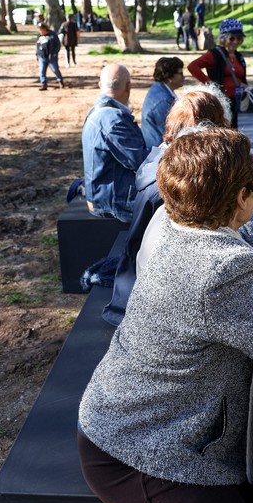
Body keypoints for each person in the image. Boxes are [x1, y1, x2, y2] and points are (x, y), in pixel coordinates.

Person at [78, 127, 253, 503]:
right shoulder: (221, 272)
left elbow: (227, 240)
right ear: (241, 197)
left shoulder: (175, 227)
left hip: (124, 420)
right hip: (141, 452)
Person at [105, 84, 234, 326]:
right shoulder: (179, 181)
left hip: (139, 278)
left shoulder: (163, 159)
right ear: (209, 131)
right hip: (152, 299)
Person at [81, 63, 149, 222]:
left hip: (103, 196)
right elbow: (140, 162)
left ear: (100, 85)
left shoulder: (98, 110)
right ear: (128, 86)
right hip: (114, 203)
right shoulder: (113, 120)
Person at [188, 18, 248, 129]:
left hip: (237, 100)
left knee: (234, 129)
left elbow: (241, 77)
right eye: (232, 38)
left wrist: (245, 86)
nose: (236, 41)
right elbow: (192, 66)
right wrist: (209, 83)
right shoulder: (214, 54)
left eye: (239, 38)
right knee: (223, 128)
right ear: (223, 38)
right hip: (221, 100)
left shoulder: (239, 56)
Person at [141, 56, 185, 149]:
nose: (183, 77)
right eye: (180, 73)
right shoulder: (163, 100)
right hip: (158, 150)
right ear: (169, 77)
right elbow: (170, 132)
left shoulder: (160, 88)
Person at [35, 22, 64, 91]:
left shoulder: (52, 35)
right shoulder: (39, 36)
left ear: (45, 29)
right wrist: (37, 54)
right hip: (42, 56)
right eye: (39, 30)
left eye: (41, 30)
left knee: (55, 69)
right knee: (42, 71)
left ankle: (60, 81)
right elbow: (37, 45)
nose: (40, 31)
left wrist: (54, 53)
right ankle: (43, 84)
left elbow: (58, 45)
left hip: (51, 57)